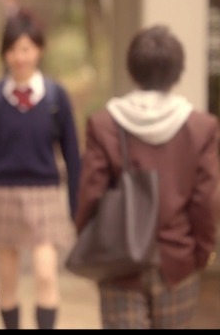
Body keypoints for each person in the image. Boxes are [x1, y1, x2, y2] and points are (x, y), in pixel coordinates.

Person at [75, 25, 219, 329]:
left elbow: (90, 194)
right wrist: (202, 253)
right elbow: (206, 201)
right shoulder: (201, 128)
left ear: (131, 71)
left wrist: (90, 243)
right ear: (178, 73)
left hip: (118, 262)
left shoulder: (104, 124)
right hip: (177, 260)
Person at [0, 15, 81, 329]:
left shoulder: (55, 96)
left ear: (39, 50)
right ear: (4, 54)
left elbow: (72, 154)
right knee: (7, 279)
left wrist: (76, 206)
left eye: (26, 49)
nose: (19, 57)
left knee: (46, 274)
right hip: (4, 192)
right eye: (13, 50)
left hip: (46, 193)